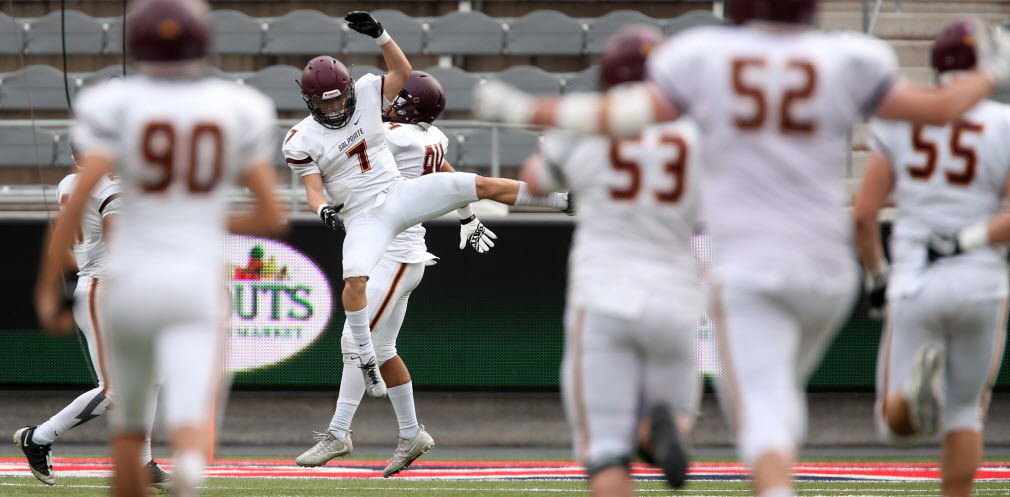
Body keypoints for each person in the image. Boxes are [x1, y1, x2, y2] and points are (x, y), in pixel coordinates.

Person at [472, 2, 1010, 496]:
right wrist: (998, 67)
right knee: (788, 392)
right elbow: (940, 107)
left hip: (728, 269)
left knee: (754, 409)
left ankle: (757, 476)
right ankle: (671, 428)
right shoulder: (849, 56)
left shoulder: (702, 59)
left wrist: (525, 110)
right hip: (825, 267)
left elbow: (610, 124)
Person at [34, 1, 286, 496]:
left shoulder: (112, 103)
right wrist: (192, 222)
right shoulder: (238, 107)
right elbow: (272, 215)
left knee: (127, 427)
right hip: (195, 279)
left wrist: (47, 289)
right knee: (190, 414)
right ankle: (190, 468)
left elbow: (73, 205)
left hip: (129, 281)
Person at [283, 11, 573, 405]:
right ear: (309, 101)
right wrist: (322, 211)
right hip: (364, 217)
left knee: (479, 183)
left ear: (350, 90)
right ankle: (366, 359)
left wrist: (382, 35)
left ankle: (564, 199)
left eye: (338, 102)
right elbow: (313, 190)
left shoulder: (372, 97)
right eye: (324, 104)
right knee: (354, 279)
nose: (334, 111)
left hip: (399, 195)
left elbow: (402, 72)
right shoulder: (301, 139)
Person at [520, 26, 703, 497]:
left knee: (604, 451)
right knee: (675, 417)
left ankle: (639, 437)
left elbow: (535, 181)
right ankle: (656, 431)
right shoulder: (697, 134)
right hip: (676, 298)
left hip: (603, 295)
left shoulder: (588, 125)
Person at [295, 70, 498, 476]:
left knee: (355, 340)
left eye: (397, 99)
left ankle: (338, 432)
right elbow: (452, 179)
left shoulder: (392, 134)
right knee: (382, 350)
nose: (387, 102)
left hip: (395, 253)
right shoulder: (429, 140)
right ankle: (410, 434)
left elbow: (354, 145)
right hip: (401, 252)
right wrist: (467, 216)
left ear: (405, 105)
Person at [855, 21, 1010, 497]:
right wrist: (971, 240)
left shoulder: (900, 120)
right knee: (967, 412)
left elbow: (865, 214)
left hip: (916, 277)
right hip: (982, 281)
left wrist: (875, 277)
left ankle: (912, 401)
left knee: (892, 427)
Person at [15, 145, 169, 489]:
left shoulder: (71, 183)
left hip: (103, 284)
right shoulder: (111, 186)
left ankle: (143, 463)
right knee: (115, 390)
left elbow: (64, 248)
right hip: (109, 288)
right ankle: (38, 437)